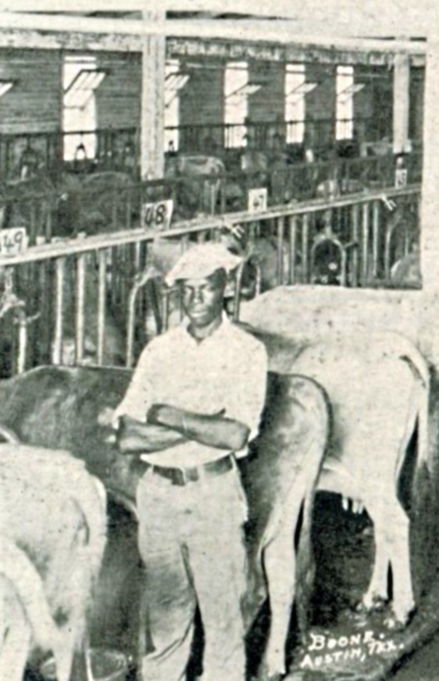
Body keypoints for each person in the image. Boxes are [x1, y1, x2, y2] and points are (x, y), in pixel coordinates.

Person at [108, 242, 268, 681]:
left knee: (222, 620)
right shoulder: (159, 351)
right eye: (187, 290)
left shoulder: (247, 352)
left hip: (214, 493)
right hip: (158, 494)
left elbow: (235, 433)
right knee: (165, 618)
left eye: (207, 288)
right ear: (177, 294)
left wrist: (166, 413)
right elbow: (127, 437)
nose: (197, 299)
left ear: (225, 290)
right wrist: (200, 423)